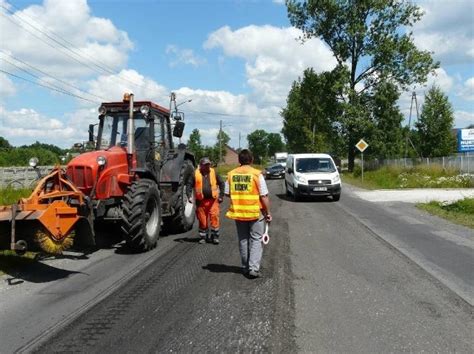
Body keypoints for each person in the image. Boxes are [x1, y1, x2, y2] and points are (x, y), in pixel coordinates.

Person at [225, 149, 272, 279]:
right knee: (256, 239)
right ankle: (253, 268)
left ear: (239, 160)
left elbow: (227, 193)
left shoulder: (231, 174)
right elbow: (264, 196)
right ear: (251, 160)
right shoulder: (257, 175)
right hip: (255, 213)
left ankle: (245, 267)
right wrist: (268, 212)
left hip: (239, 213)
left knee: (243, 239)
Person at [187, 157, 225, 244]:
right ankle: (203, 237)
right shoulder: (195, 174)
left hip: (213, 201)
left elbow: (222, 183)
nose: (208, 166)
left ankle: (215, 236)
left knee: (214, 217)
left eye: (208, 165)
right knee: (202, 220)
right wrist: (189, 196)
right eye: (205, 165)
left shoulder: (214, 172)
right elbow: (189, 185)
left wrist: (221, 196)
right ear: (201, 166)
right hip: (201, 202)